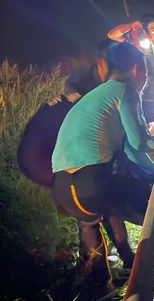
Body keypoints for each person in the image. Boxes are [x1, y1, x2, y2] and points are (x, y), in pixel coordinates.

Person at [51, 42, 154, 291]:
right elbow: (139, 142)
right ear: (138, 70)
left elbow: (128, 149)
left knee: (90, 221)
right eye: (146, 72)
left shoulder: (98, 95)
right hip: (90, 180)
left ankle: (101, 286)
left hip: (63, 187)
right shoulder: (125, 91)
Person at [19, 40, 137, 270]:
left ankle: (118, 261)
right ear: (103, 64)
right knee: (91, 207)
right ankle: (101, 272)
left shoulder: (103, 86)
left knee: (98, 201)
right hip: (45, 156)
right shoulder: (83, 85)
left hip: (58, 154)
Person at [107, 14, 154, 122]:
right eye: (153, 31)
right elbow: (112, 35)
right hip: (144, 102)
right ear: (146, 33)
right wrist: (131, 26)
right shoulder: (138, 49)